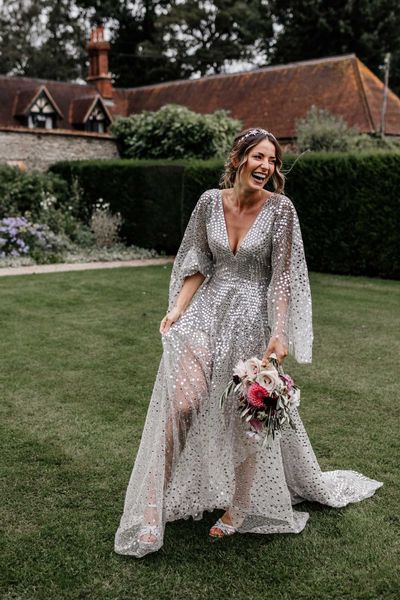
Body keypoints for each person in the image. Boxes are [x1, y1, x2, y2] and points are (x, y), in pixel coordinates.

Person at [114, 128, 382, 558]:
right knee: (182, 405)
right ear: (238, 157)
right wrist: (179, 307)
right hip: (206, 313)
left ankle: (239, 508)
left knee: (248, 417)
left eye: (272, 161)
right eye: (259, 157)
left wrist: (279, 331)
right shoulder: (207, 202)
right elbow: (198, 261)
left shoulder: (282, 211)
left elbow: (283, 277)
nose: (266, 167)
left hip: (252, 321)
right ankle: (150, 508)